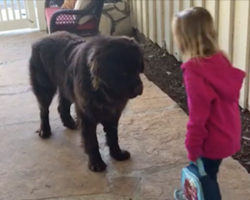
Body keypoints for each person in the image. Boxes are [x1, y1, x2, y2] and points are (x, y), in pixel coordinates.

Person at [171, 6, 245, 200]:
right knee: (207, 171)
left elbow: (198, 118)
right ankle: (191, 194)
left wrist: (192, 146)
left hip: (211, 140)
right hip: (228, 132)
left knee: (206, 177)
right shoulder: (220, 58)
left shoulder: (195, 72)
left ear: (184, 39)